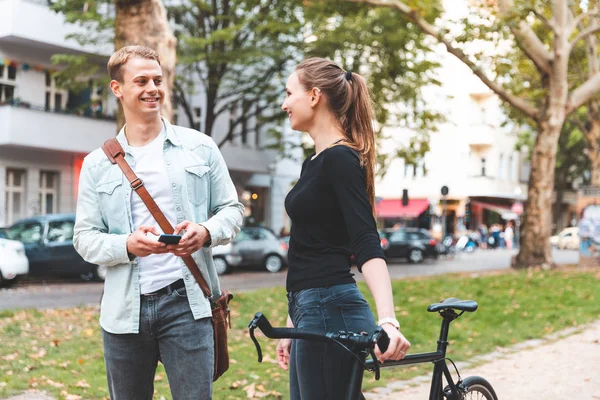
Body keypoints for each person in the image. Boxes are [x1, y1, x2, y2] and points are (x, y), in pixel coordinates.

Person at [73, 45, 244, 400]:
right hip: (124, 310)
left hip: (188, 304)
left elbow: (232, 208)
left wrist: (206, 231)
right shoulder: (96, 164)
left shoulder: (200, 147)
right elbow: (85, 238)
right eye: (141, 81)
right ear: (117, 88)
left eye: (157, 79)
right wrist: (127, 245)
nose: (153, 88)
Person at [276, 58, 411, 399]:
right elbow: (312, 247)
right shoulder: (314, 162)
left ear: (314, 96)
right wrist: (294, 323)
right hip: (312, 309)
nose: (284, 103)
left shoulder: (341, 159)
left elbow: (365, 240)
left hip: (330, 309)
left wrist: (388, 319)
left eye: (289, 93)